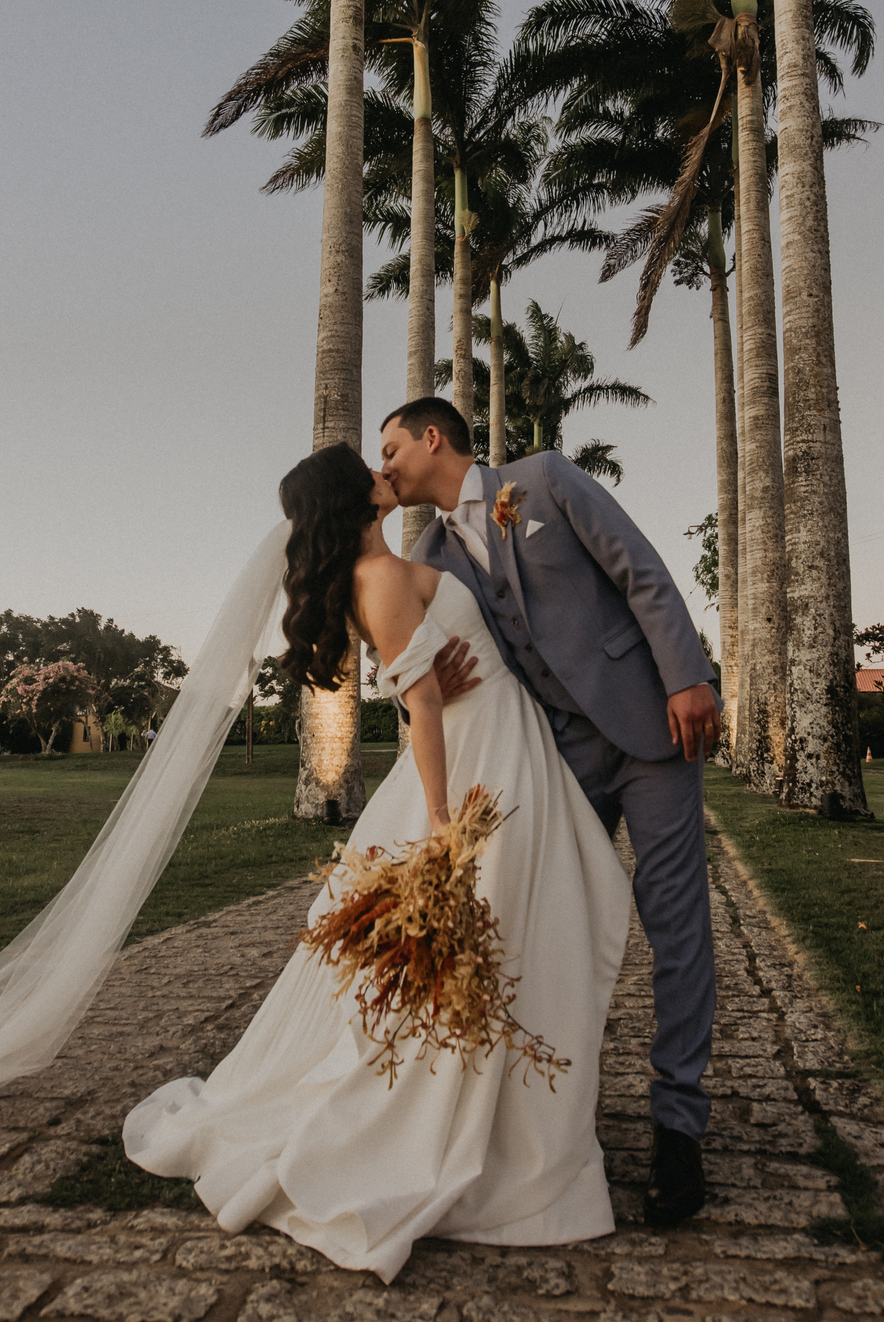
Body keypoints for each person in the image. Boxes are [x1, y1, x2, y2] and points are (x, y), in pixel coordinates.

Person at [122, 443, 633, 1281]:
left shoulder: (387, 571)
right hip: (476, 762)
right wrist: (440, 823)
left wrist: (445, 676)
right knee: (521, 932)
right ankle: (476, 1128)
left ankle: (510, 1110)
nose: (384, 472)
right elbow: (424, 706)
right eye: (370, 467)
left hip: (497, 734)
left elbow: (425, 680)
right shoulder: (384, 578)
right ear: (350, 498)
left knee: (539, 925)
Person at [378, 397, 720, 1226]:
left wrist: (686, 676)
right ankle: (553, 1118)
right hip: (555, 756)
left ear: (434, 438)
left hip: (648, 728)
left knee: (675, 921)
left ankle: (679, 1124)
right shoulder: (425, 552)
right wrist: (425, 690)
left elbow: (640, 569)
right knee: (551, 924)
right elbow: (415, 670)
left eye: (389, 447)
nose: (381, 463)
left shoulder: (544, 479)